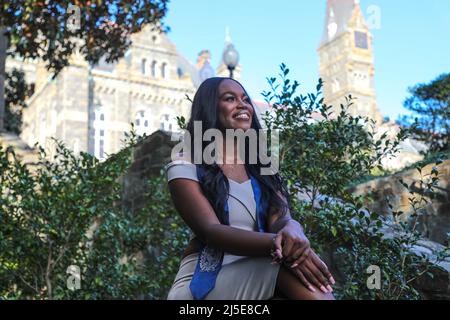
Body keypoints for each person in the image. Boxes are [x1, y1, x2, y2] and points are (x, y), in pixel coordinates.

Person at [165, 77, 335, 300]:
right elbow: (211, 232)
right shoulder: (186, 163)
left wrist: (293, 228)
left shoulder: (262, 165)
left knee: (296, 274)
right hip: (207, 281)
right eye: (230, 98)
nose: (243, 104)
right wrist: (279, 244)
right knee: (286, 267)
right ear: (210, 108)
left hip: (264, 266)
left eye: (245, 99)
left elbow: (280, 219)